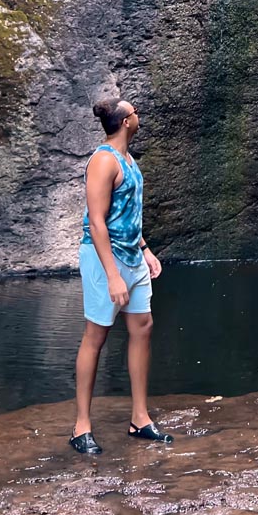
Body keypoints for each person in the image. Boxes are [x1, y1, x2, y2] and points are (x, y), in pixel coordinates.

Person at [69, 97, 173, 454]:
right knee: (95, 335)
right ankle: (81, 427)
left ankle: (140, 419)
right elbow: (97, 222)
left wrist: (145, 249)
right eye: (135, 112)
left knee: (142, 327)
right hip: (104, 259)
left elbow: (126, 213)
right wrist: (113, 275)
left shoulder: (129, 161)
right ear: (127, 121)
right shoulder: (103, 161)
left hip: (131, 255)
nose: (138, 115)